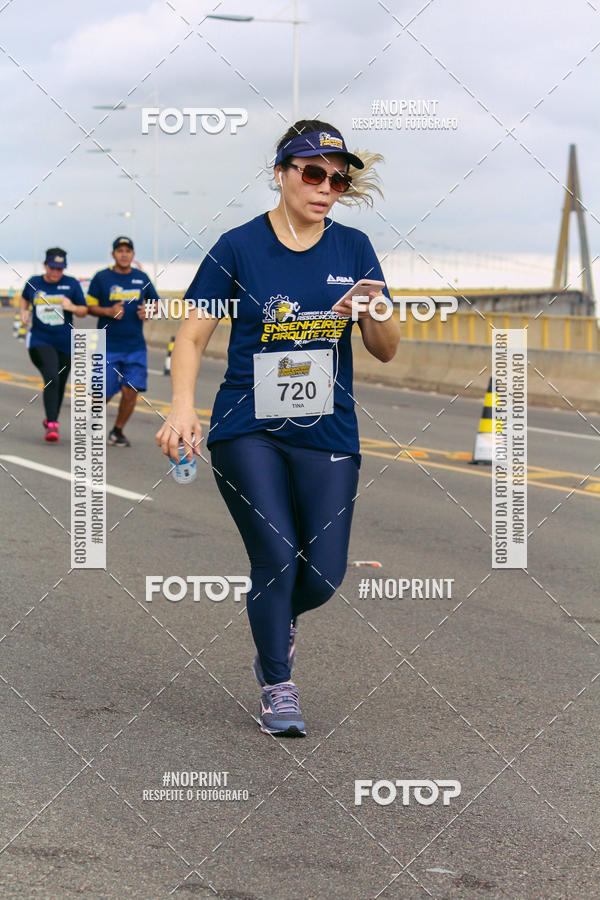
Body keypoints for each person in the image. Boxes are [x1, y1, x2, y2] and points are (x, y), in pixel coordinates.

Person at [156, 120, 400, 737]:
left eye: (337, 178)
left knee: (319, 576)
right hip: (248, 427)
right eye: (312, 172)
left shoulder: (355, 250)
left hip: (328, 431)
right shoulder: (237, 247)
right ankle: (277, 685)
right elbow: (190, 335)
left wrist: (373, 312)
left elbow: (387, 349)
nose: (325, 187)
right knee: (274, 559)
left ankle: (277, 617)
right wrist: (183, 406)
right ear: (281, 173)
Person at [86, 236, 158, 447]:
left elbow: (156, 303)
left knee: (131, 390)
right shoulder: (101, 277)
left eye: (128, 251)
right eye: (120, 251)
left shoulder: (141, 277)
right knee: (104, 392)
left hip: (135, 347)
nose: (124, 254)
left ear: (133, 255)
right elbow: (89, 306)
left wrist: (150, 310)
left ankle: (117, 431)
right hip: (107, 346)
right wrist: (108, 310)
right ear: (113, 254)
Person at [20, 248, 88, 442]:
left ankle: (52, 420)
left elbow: (84, 310)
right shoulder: (34, 283)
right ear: (45, 265)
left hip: (65, 343)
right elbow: (24, 298)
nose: (56, 272)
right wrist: (24, 312)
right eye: (52, 268)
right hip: (40, 340)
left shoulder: (71, 284)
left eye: (60, 268)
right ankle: (52, 424)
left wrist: (72, 307)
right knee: (52, 377)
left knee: (60, 384)